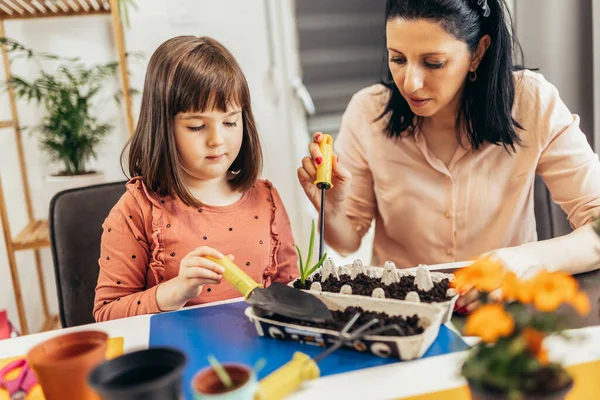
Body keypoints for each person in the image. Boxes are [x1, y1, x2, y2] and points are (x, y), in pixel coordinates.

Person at [297, 0, 600, 313]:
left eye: (433, 63)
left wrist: (524, 260)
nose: (410, 82)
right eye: (398, 59)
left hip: (503, 314)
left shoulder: (532, 102)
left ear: (478, 53)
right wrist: (331, 208)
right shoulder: (367, 112)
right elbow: (346, 242)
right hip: (400, 315)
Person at [94, 36, 298, 322]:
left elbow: (289, 288)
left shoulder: (266, 198)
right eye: (197, 126)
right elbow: (107, 313)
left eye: (229, 122)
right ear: (163, 128)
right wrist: (176, 290)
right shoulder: (135, 210)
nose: (217, 140)